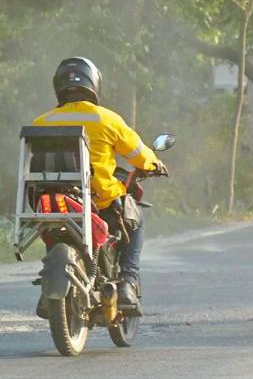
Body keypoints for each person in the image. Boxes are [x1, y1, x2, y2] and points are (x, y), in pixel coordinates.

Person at [32, 57, 164, 314]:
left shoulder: (41, 122)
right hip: (98, 201)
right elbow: (140, 155)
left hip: (50, 201)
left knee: (52, 228)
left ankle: (49, 285)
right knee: (136, 222)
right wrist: (154, 164)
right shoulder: (107, 119)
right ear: (94, 84)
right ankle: (127, 281)